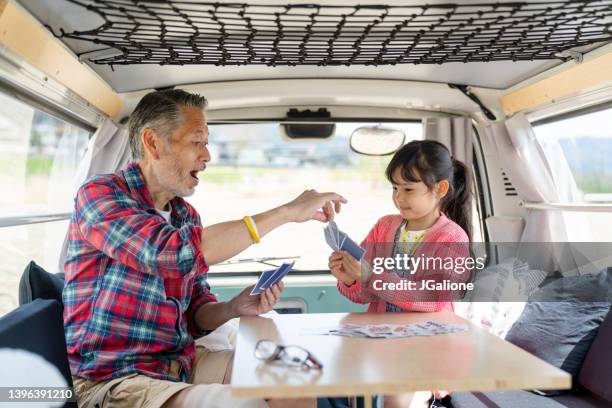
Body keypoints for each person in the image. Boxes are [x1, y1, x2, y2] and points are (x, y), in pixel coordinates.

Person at [63, 89, 346, 408]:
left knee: (292, 376)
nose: (208, 155)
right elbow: (169, 253)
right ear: (153, 143)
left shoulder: (185, 216)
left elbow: (196, 313)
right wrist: (283, 213)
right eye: (196, 142)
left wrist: (234, 307)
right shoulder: (100, 195)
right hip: (114, 379)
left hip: (176, 367)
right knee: (243, 405)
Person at [327, 140, 472, 408]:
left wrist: (370, 276)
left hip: (427, 348)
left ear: (440, 189)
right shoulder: (385, 226)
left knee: (396, 400)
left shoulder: (452, 238)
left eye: (408, 189)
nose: (399, 197)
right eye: (395, 188)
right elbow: (364, 293)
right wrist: (348, 277)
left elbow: (433, 299)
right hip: (380, 343)